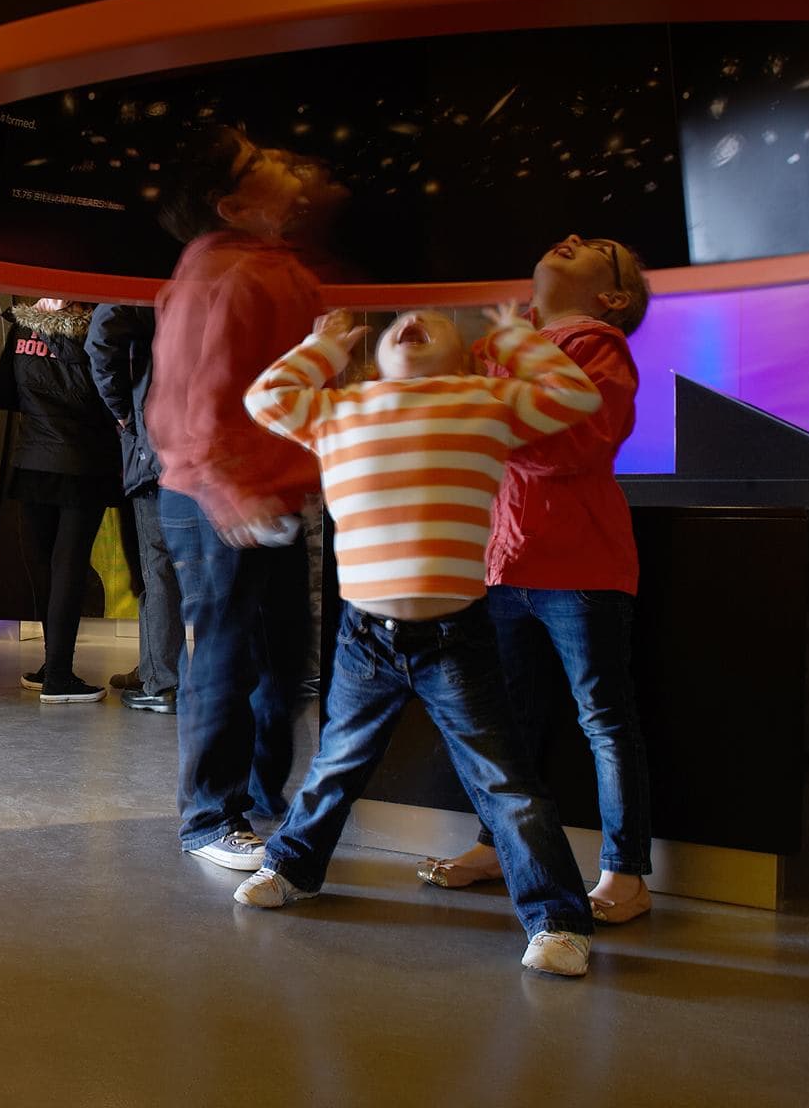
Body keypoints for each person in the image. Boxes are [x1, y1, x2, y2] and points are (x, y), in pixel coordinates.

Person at [231, 305, 605, 979]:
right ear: (378, 357)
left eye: (435, 317)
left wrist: (517, 338)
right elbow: (266, 398)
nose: (417, 319)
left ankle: (556, 919)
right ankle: (293, 867)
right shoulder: (342, 407)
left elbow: (576, 395)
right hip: (363, 637)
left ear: (465, 356)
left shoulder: (486, 400)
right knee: (336, 764)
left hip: (453, 638)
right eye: (407, 315)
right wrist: (319, 347)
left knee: (506, 785)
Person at [418, 236, 655, 925]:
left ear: (611, 298)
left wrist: (485, 417)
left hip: (580, 567)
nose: (571, 239)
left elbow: (569, 442)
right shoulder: (506, 345)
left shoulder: (596, 344)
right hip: (504, 564)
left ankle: (626, 874)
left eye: (594, 249)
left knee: (604, 720)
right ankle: (498, 847)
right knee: (508, 719)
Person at [143, 131, 323, 872]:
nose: (282, 159)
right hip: (218, 497)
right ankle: (208, 817)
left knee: (283, 655)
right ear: (234, 205)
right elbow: (186, 402)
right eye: (258, 163)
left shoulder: (279, 268)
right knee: (224, 654)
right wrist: (229, 491)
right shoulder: (221, 276)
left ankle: (258, 798)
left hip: (266, 492)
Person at [0, 298, 121, 702]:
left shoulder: (22, 329)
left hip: (32, 464)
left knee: (49, 569)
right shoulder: (96, 330)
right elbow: (106, 394)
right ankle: (60, 676)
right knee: (69, 570)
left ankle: (52, 665)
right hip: (82, 463)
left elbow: (1, 394)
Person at [86, 302, 179, 712]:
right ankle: (154, 668)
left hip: (159, 444)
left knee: (156, 568)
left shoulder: (139, 275)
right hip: (211, 443)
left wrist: (125, 410)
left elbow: (101, 338)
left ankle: (163, 682)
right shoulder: (220, 269)